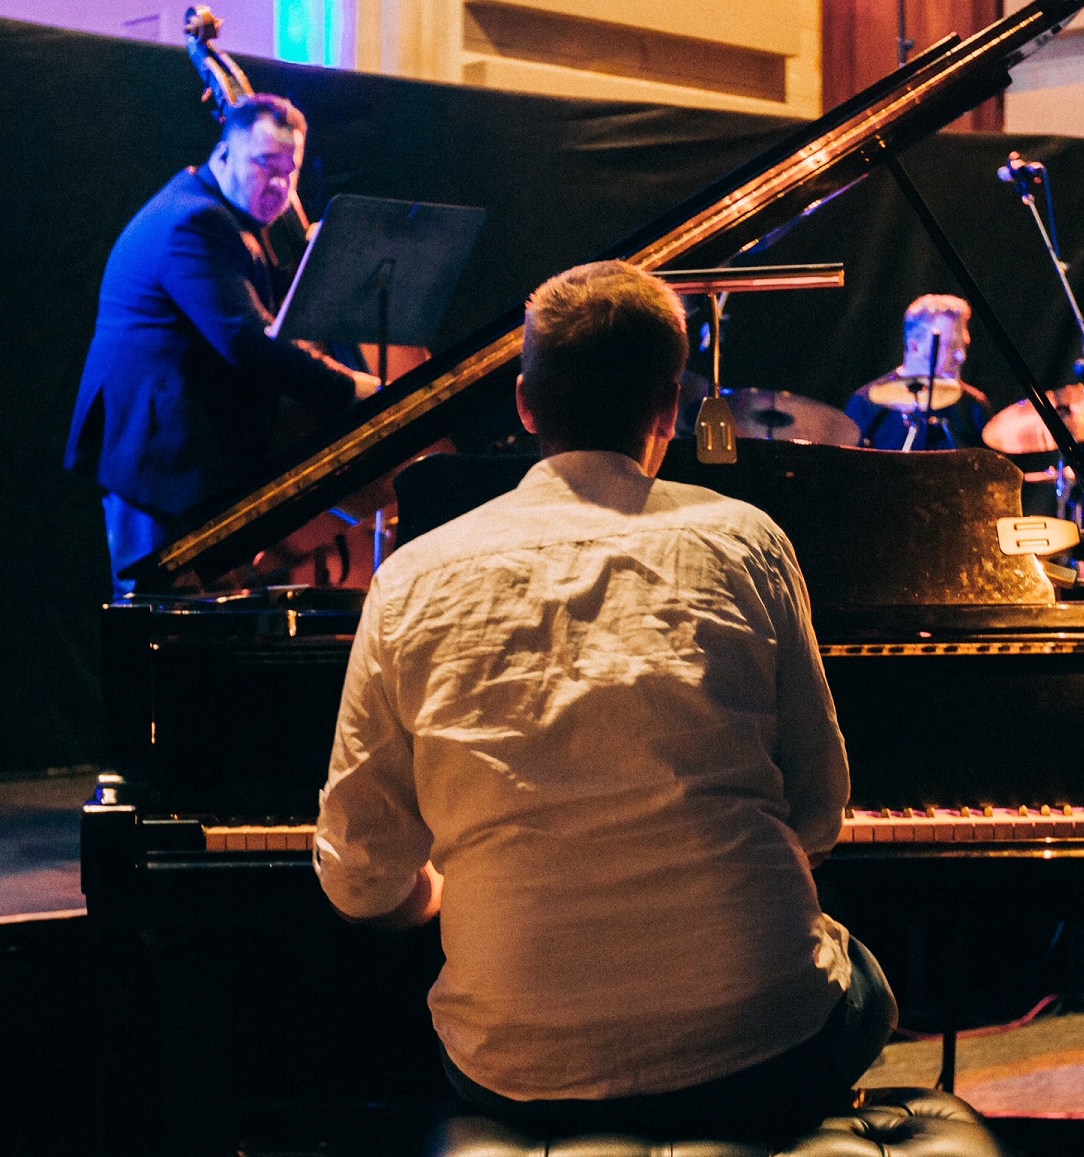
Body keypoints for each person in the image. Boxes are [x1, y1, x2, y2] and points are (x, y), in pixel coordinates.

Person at [314, 260, 896, 1144]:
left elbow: (358, 879)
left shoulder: (409, 579)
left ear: (523, 402)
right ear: (671, 406)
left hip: (518, 1068)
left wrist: (433, 891)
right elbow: (818, 814)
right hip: (762, 1041)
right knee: (867, 987)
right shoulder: (747, 542)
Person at [64, 93, 379, 595]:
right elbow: (245, 340)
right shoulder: (195, 221)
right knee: (158, 624)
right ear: (225, 155)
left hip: (181, 457)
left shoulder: (224, 217)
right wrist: (348, 388)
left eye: (290, 170)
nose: (279, 184)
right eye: (264, 165)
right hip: (159, 460)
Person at [845, 294, 990, 451]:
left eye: (963, 345)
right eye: (949, 346)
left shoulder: (973, 405)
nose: (961, 356)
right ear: (914, 346)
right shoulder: (867, 404)